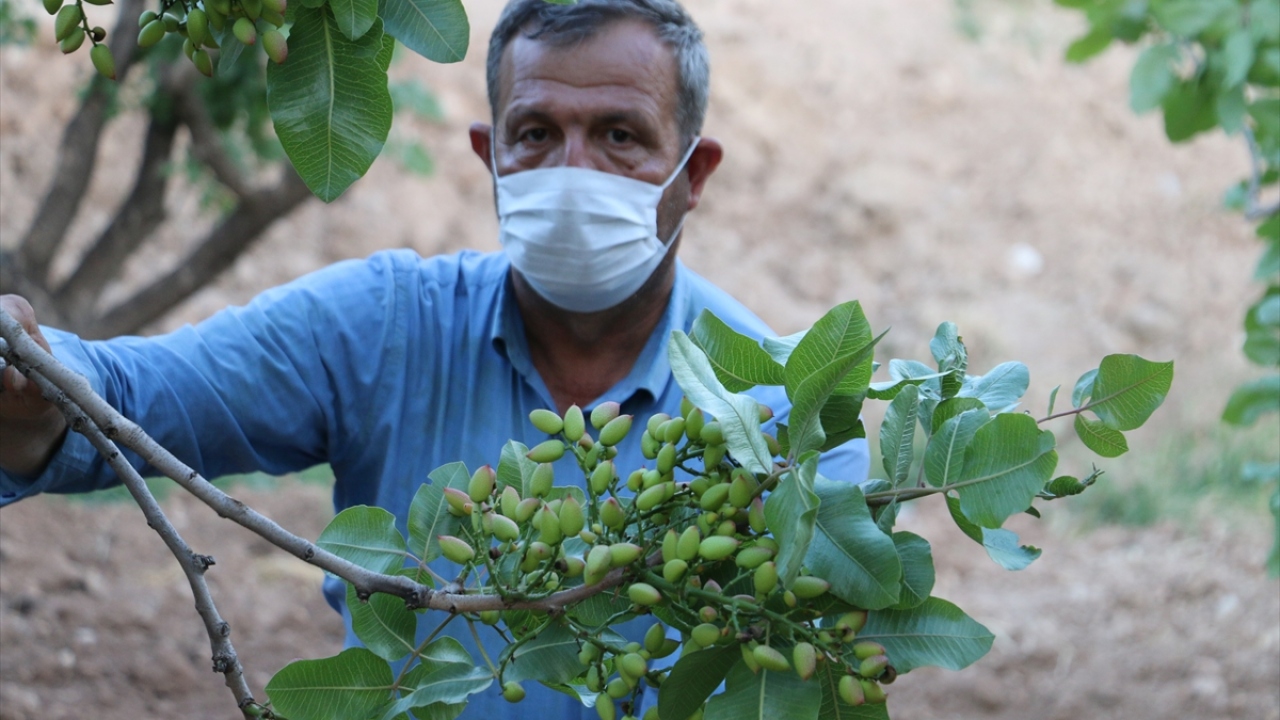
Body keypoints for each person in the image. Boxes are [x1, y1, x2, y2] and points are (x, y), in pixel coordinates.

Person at [0, 0, 870, 716]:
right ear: (490, 158)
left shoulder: (785, 411)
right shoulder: (385, 325)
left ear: (695, 172)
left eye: (619, 137)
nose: (573, 173)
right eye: (535, 134)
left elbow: (813, 668)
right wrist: (32, 377)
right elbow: (140, 394)